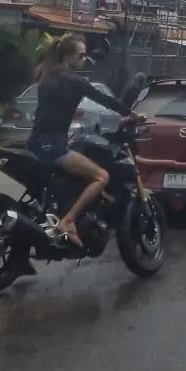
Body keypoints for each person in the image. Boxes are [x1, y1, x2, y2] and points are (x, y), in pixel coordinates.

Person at [26, 34, 132, 248]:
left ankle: (58, 213)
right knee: (101, 176)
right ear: (68, 56)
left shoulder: (46, 75)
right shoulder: (74, 81)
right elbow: (104, 99)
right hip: (53, 146)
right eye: (81, 55)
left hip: (35, 143)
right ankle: (68, 221)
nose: (85, 59)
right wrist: (132, 114)